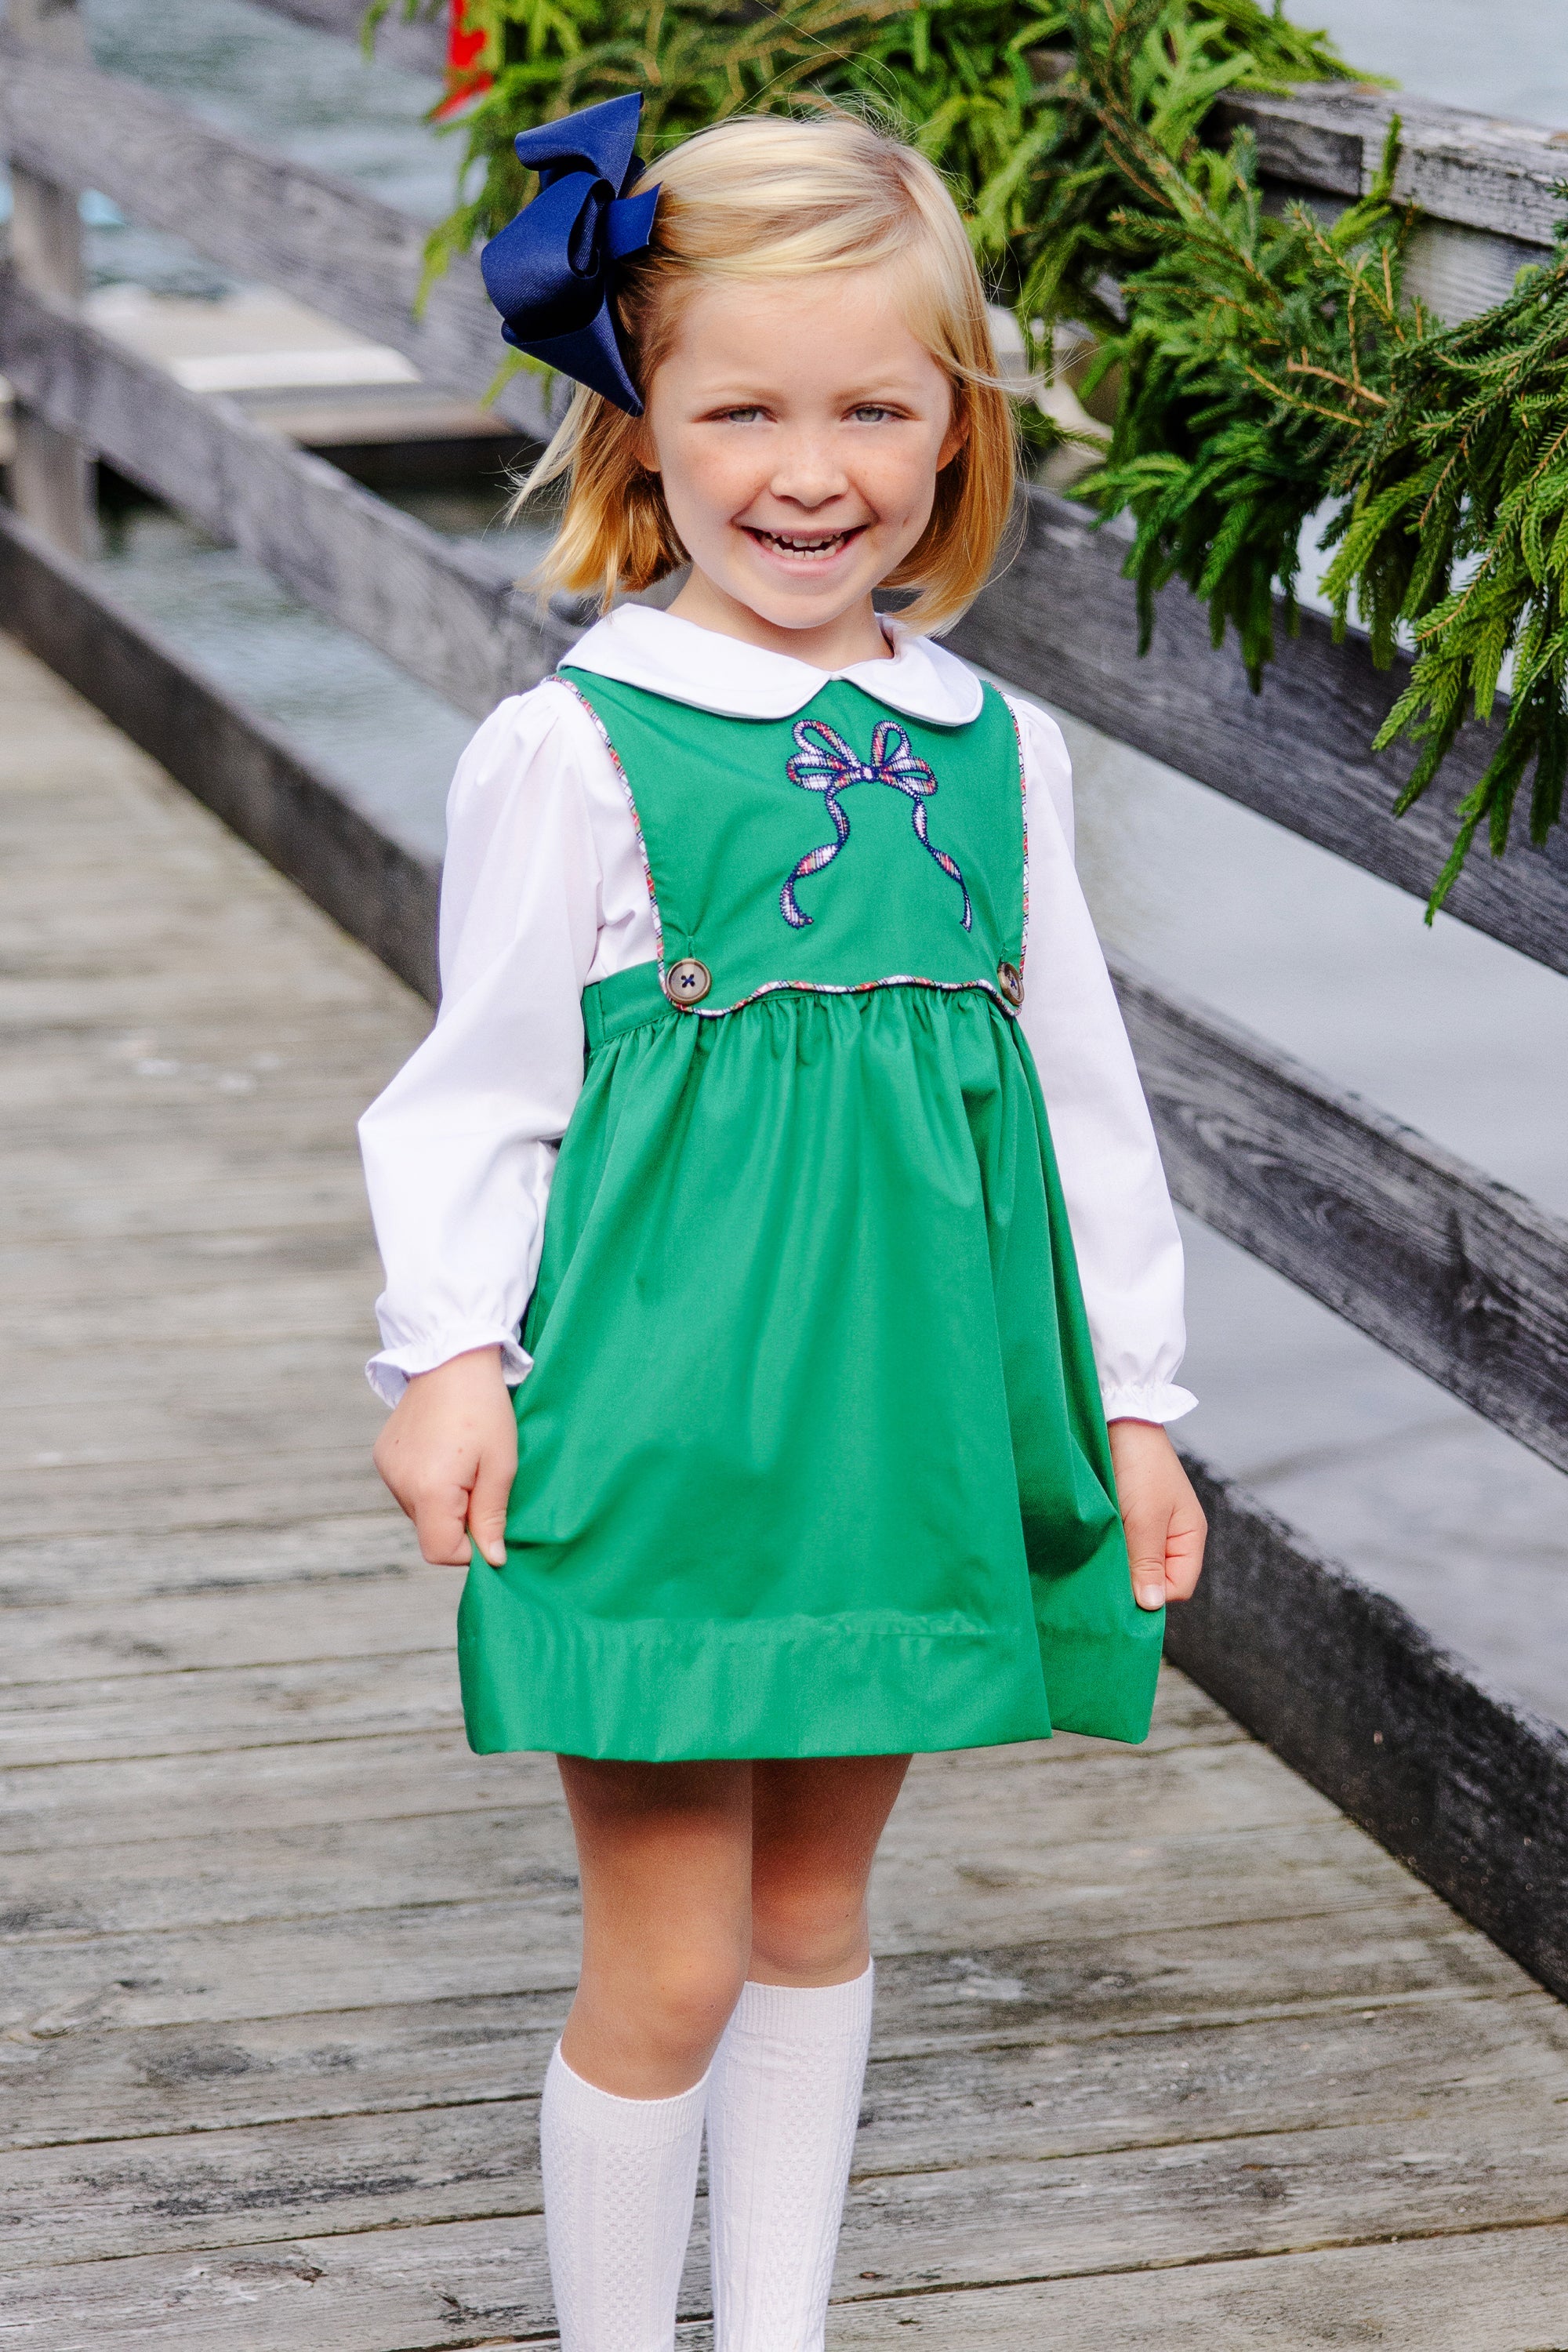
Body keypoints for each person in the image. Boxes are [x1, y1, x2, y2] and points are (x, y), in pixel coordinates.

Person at [359, 91, 1207, 2352]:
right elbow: (483, 1090)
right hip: (663, 1429)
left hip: (905, 1427)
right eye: (743, 409)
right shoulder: (583, 746)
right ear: (642, 424)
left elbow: (1083, 1104)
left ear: (956, 432)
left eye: (871, 409)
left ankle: (781, 2332)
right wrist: (449, 1354)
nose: (809, 470)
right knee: (670, 1954)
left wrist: (1133, 1404)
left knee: (819, 1913)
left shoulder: (994, 747)